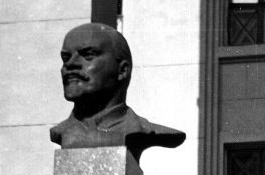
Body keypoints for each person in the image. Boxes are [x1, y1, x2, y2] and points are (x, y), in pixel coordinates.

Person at [50, 22, 185, 160]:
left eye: (88, 55)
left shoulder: (143, 131)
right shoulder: (61, 131)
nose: (70, 64)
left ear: (122, 70)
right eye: (66, 58)